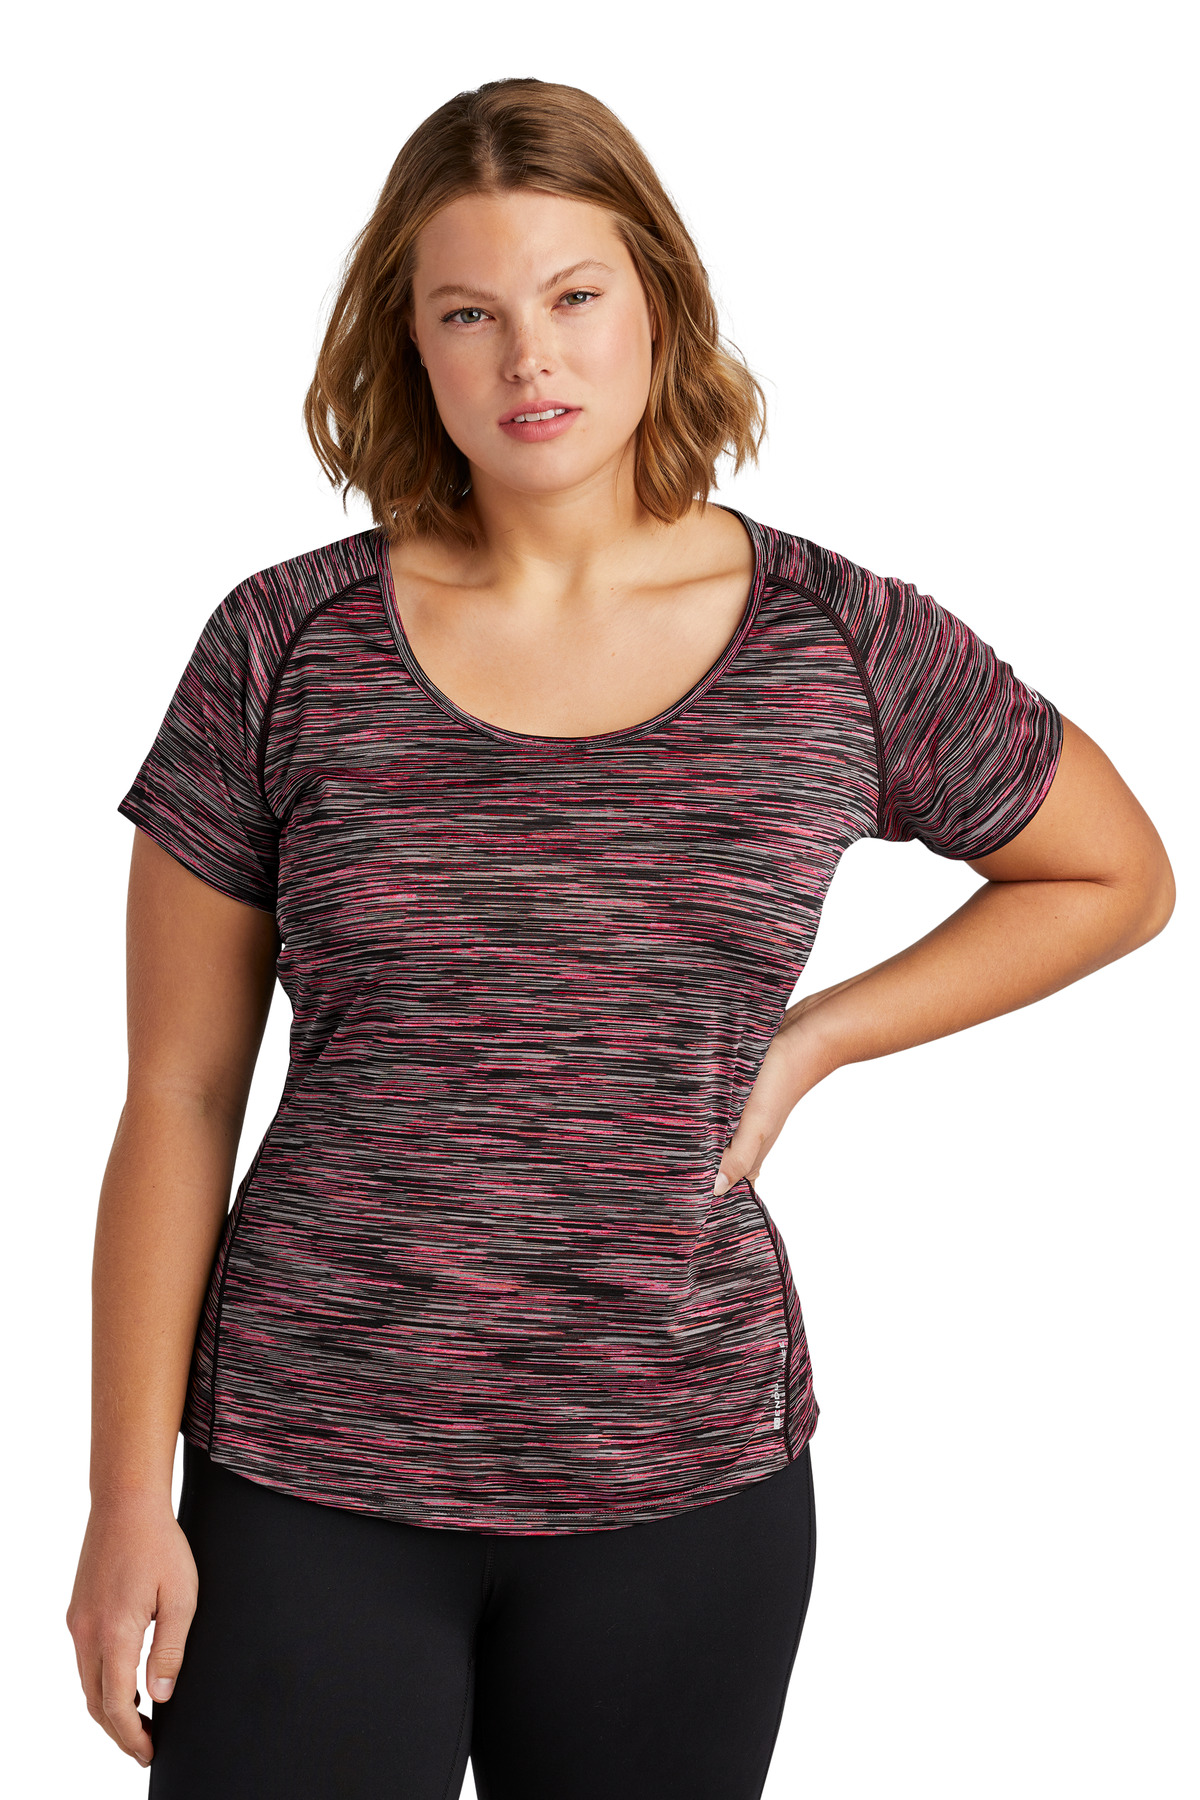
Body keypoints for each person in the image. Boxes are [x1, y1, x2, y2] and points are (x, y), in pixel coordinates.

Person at [66, 75, 1175, 1800]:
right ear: (410, 342)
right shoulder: (283, 647)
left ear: (658, 298)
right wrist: (125, 1495)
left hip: (684, 1477)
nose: (531, 357)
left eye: (574, 294)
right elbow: (177, 1096)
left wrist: (813, 1041)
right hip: (306, 1468)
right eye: (470, 313)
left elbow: (1114, 875)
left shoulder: (833, 642)